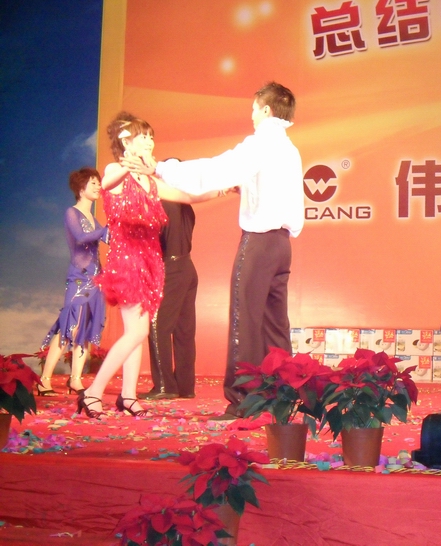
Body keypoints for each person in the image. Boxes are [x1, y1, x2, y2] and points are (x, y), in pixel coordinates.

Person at [129, 82, 304, 419]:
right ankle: (281, 397)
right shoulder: (289, 149)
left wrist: (160, 168)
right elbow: (256, 184)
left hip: (259, 242)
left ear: (266, 110)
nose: (252, 115)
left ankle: (242, 400)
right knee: (275, 324)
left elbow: (215, 169)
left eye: (254, 108)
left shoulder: (261, 142)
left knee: (245, 321)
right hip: (282, 245)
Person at [77, 113, 221, 418]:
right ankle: (92, 393)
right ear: (127, 141)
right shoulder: (116, 170)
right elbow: (107, 183)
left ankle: (128, 397)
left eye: (151, 136)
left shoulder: (152, 181)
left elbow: (188, 196)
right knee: (139, 330)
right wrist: (129, 164)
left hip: (151, 261)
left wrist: (222, 189)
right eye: (143, 136)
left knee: (137, 331)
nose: (149, 141)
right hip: (127, 260)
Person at [38, 167, 108, 396]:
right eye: (93, 183)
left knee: (84, 329)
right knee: (70, 326)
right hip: (79, 278)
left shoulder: (94, 219)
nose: (98, 186)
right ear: (80, 188)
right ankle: (44, 380)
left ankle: (75, 380)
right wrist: (106, 230)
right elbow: (81, 237)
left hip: (95, 279)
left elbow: (108, 237)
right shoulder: (72, 212)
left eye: (98, 182)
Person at [140, 189, 199, 401]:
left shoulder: (162, 204)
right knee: (184, 330)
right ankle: (185, 386)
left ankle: (165, 385)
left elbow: (156, 240)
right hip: (187, 266)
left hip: (171, 268)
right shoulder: (186, 205)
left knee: (158, 326)